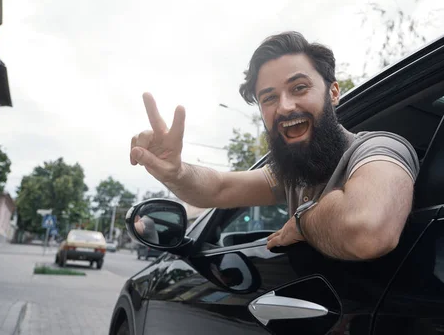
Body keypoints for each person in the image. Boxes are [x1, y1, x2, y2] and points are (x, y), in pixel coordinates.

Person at [130, 31, 419, 261]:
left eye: (299, 88)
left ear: (332, 92)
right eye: (269, 98)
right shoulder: (293, 174)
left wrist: (301, 224)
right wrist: (175, 172)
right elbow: (218, 188)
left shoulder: (378, 149)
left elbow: (368, 232)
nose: (285, 106)